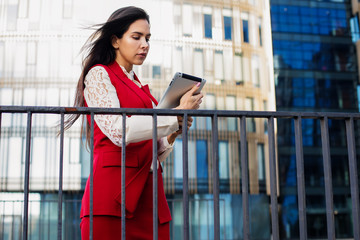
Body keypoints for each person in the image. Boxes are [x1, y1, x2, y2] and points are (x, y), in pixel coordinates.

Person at [64, 6, 203, 240]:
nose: (145, 44)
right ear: (115, 41)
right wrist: (173, 114)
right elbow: (119, 132)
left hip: (150, 200)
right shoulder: (98, 74)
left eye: (147, 38)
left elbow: (150, 153)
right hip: (111, 199)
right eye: (136, 37)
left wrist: (172, 132)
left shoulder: (141, 88)